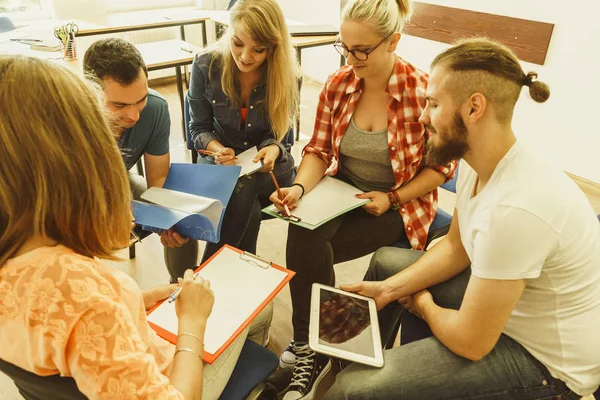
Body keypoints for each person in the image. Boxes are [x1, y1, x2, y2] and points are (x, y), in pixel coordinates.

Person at [324, 38, 600, 399]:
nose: (422, 117)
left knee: (351, 390)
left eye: (433, 104)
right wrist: (390, 290)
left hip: (545, 363)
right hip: (517, 307)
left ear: (474, 109)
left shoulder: (515, 209)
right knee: (387, 267)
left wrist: (422, 304)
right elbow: (456, 246)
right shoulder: (479, 163)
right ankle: (354, 357)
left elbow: (471, 343)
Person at [0, 55, 269, 400]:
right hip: (173, 378)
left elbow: (63, 324)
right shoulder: (83, 297)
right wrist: (191, 322)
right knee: (260, 310)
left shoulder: (31, 259)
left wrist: (134, 301)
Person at [268, 1, 457, 398]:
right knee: (302, 229)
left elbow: (442, 169)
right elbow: (318, 150)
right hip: (346, 190)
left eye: (361, 50)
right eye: (344, 47)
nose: (351, 59)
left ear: (393, 42)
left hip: (398, 203)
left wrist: (393, 197)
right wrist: (299, 189)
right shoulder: (339, 84)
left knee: (310, 251)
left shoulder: (422, 92)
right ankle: (311, 344)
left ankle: (312, 345)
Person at [160, 0, 301, 282]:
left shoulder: (286, 72)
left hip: (269, 171)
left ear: (273, 47)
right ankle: (229, 282)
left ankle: (201, 279)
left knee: (241, 184)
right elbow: (197, 128)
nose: (245, 56)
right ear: (229, 31)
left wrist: (272, 149)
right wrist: (215, 149)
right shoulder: (206, 63)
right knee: (248, 211)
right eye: (238, 43)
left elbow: (285, 137)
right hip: (218, 161)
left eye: (258, 49)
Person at [83, 37, 171, 199]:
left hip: (120, 181)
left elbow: (158, 179)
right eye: (119, 105)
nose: (134, 116)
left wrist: (166, 220)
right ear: (91, 93)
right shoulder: (70, 123)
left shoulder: (155, 108)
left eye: (141, 100)